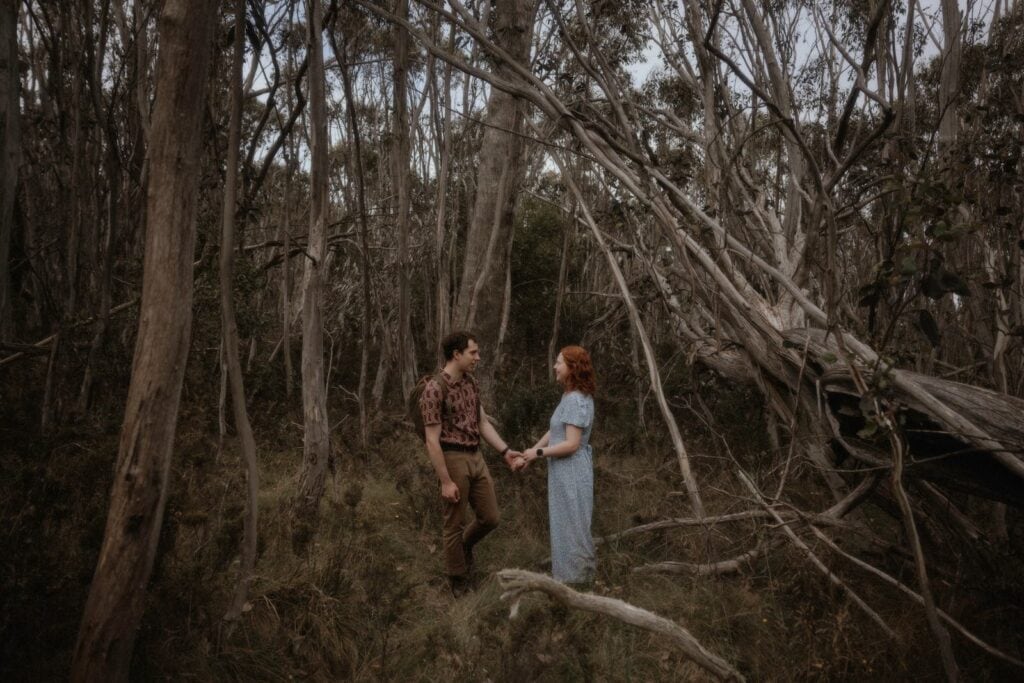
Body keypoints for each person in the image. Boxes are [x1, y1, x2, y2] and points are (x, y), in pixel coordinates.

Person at [419, 330, 520, 596]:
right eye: (473, 352)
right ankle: (458, 581)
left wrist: (505, 451)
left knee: (491, 517)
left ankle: (462, 549)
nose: (478, 357)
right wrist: (445, 481)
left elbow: (482, 422)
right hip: (452, 458)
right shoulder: (434, 389)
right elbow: (432, 440)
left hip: (477, 456)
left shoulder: (471, 383)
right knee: (453, 523)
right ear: (457, 354)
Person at [515, 345, 596, 584]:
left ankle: (578, 583)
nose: (554, 366)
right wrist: (529, 453)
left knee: (573, 527)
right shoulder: (569, 397)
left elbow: (571, 444)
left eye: (559, 362)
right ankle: (568, 581)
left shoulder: (575, 400)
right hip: (563, 470)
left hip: (571, 470)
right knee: (565, 525)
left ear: (572, 368)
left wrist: (537, 453)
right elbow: (555, 431)